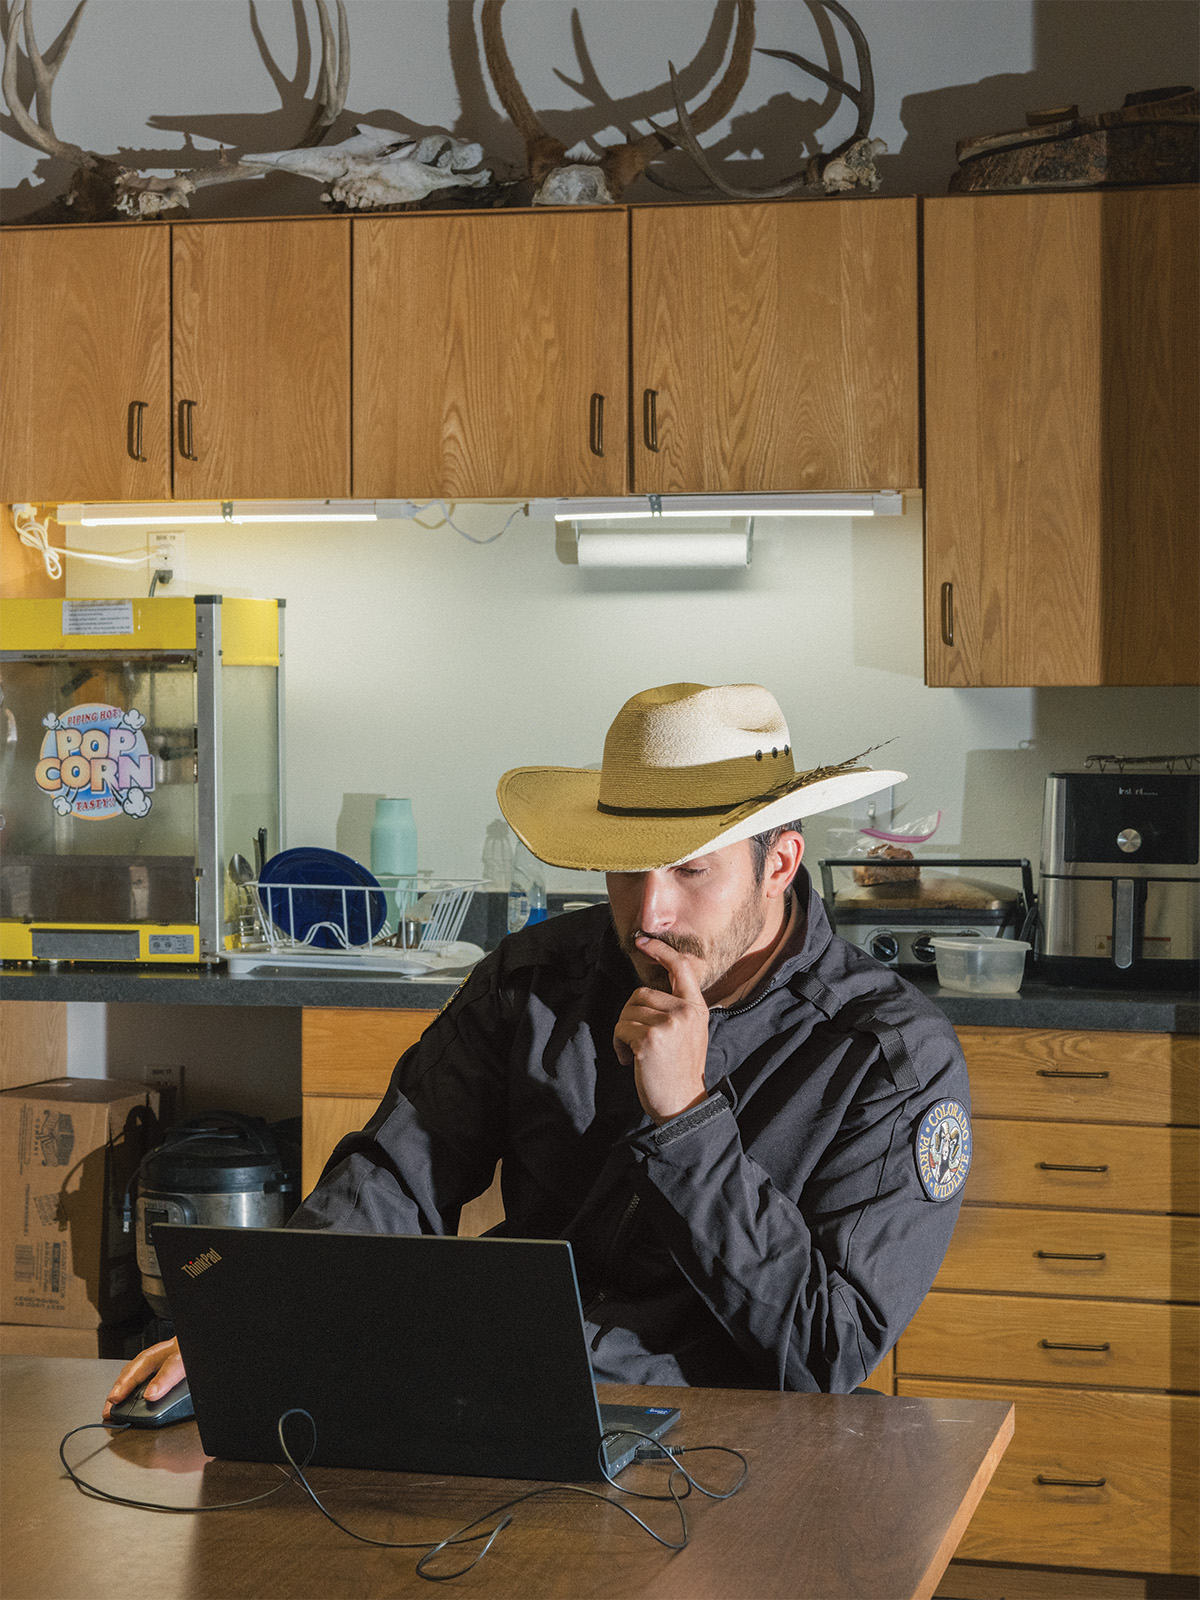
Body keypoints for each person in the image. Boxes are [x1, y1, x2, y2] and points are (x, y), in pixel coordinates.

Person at [106, 681, 971, 1415]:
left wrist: (688, 1120)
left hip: (724, 1434)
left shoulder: (889, 1057)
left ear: (779, 862)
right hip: (513, 1391)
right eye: (625, 868)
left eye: (690, 870)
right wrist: (256, 1315)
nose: (649, 913)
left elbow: (827, 1351)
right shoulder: (538, 977)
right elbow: (398, 1172)